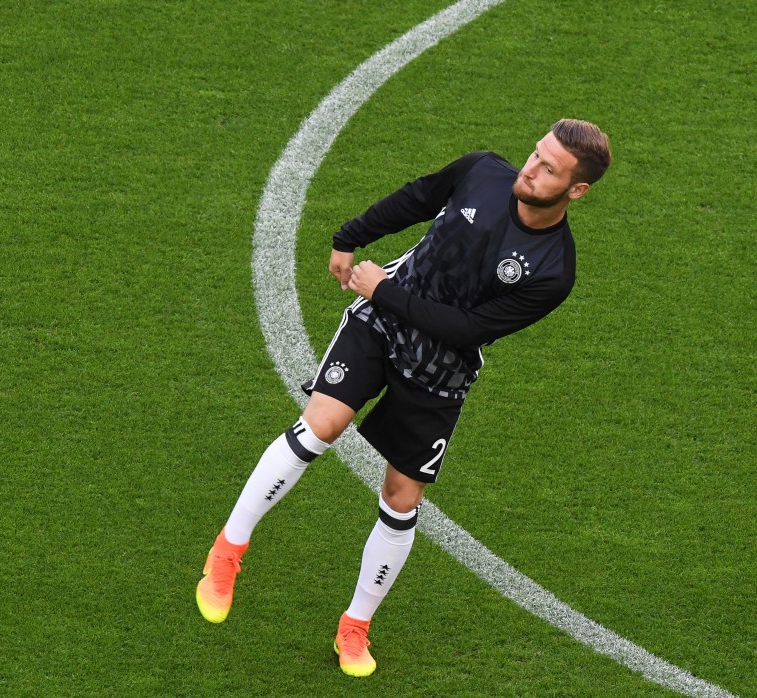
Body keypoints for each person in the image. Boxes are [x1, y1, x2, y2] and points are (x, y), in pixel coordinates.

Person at [196, 119, 612, 677]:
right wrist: (350, 237)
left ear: (577, 190)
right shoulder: (483, 171)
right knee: (321, 423)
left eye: (549, 170)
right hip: (380, 321)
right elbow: (417, 198)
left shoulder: (553, 272)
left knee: (402, 495)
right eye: (535, 155)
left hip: (441, 365)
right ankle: (228, 552)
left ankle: (355, 627)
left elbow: (466, 330)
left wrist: (382, 288)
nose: (530, 169)